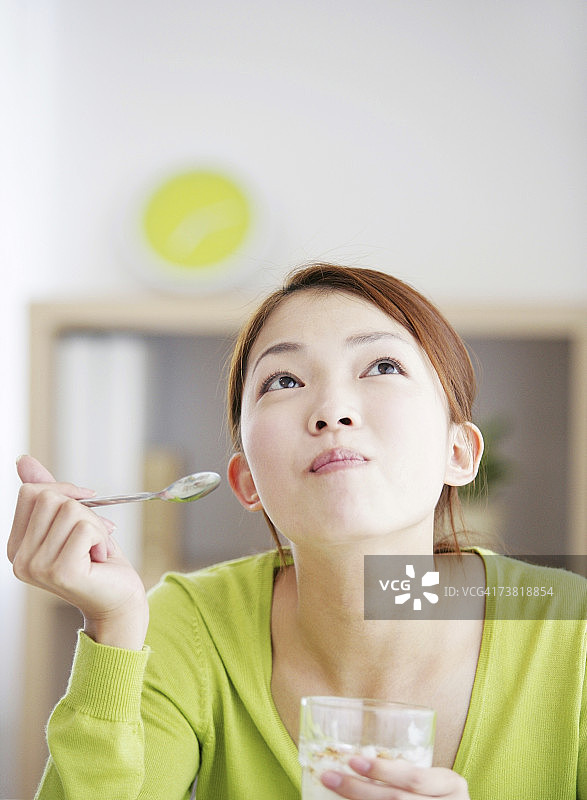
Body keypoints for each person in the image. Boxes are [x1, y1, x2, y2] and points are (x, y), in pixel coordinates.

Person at [8, 263, 586, 799]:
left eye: (382, 366)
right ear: (246, 480)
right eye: (283, 381)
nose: (332, 410)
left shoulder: (572, 632)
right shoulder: (186, 628)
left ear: (458, 452)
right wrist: (112, 625)